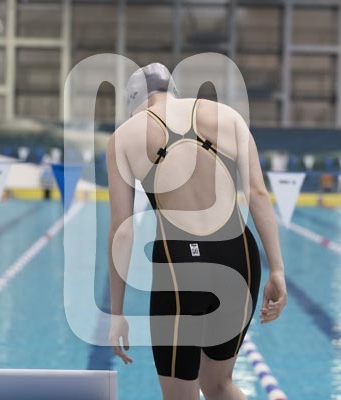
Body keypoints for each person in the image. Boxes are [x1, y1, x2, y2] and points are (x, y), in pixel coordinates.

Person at [107, 63, 287, 400]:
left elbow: (122, 229)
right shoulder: (227, 116)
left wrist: (117, 312)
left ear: (133, 101)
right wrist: (277, 269)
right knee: (219, 386)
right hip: (239, 259)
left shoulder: (124, 137)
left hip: (179, 270)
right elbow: (258, 193)